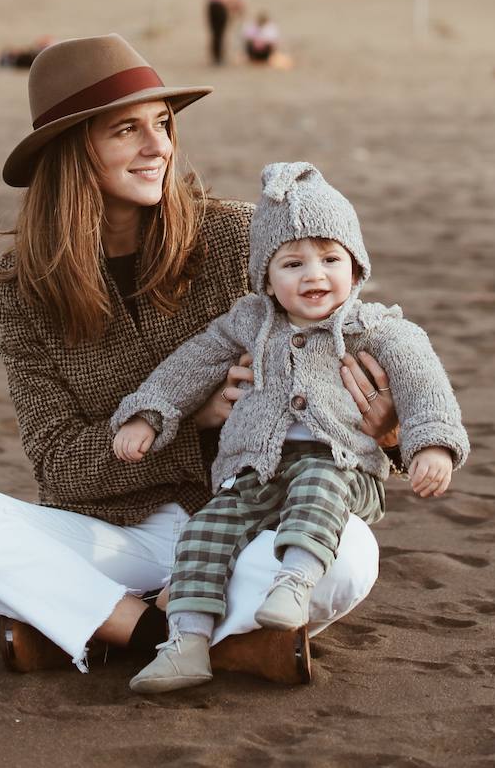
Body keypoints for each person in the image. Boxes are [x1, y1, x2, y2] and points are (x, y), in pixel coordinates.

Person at [0, 34, 398, 681]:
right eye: (126, 131)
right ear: (73, 150)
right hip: (114, 537)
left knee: (349, 552)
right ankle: (166, 632)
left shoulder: (243, 240)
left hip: (242, 524)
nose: (158, 147)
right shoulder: (26, 290)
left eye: (162, 125)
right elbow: (60, 466)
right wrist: (187, 422)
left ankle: (85, 626)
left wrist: (381, 432)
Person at [112, 160, 469, 693]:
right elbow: (189, 367)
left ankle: (295, 582)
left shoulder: (375, 327)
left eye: (330, 258)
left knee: (317, 484)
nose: (314, 275)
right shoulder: (249, 323)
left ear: (355, 266)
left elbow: (424, 384)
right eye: (292, 263)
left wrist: (431, 445)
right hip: (255, 471)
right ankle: (185, 642)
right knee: (204, 532)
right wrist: (147, 414)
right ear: (266, 278)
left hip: (342, 467)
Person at [206, 0, 244, 66]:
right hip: (218, 7)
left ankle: (216, 56)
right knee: (220, 34)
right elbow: (236, 8)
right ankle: (218, 57)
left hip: (211, 6)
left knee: (215, 34)